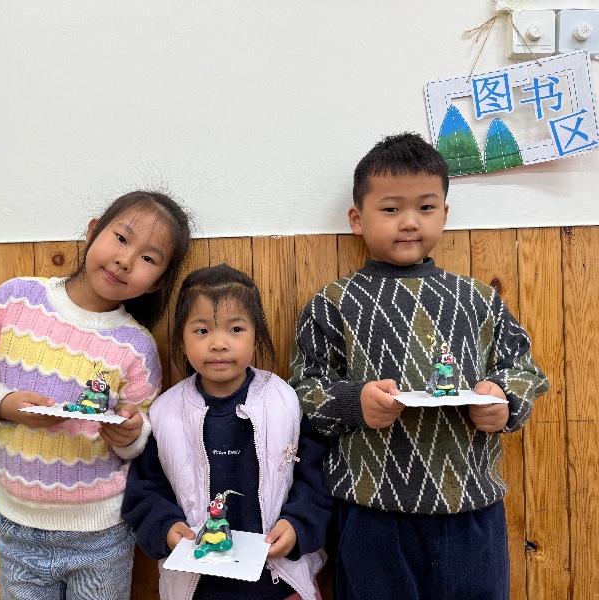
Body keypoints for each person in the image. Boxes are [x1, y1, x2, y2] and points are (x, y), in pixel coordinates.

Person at [289, 132, 549, 600]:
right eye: (390, 208)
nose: (409, 221)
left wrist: (504, 401)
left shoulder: (478, 300)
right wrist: (354, 402)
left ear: (444, 214)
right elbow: (304, 391)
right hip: (371, 513)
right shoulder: (333, 303)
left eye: (426, 207)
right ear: (357, 219)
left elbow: (524, 369)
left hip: (471, 510)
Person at [0, 190, 191, 600]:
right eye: (121, 238)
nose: (125, 259)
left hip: (104, 535)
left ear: (156, 282)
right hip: (17, 529)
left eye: (147, 258)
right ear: (92, 232)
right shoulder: (17, 300)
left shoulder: (137, 347)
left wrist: (130, 435)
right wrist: (3, 404)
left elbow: (141, 429)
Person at [123, 264, 332, 600]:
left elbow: (315, 477)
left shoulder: (285, 401)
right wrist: (165, 527)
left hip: (280, 582)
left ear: (256, 336)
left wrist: (298, 524)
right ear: (181, 340)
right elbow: (146, 489)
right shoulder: (165, 412)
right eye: (202, 330)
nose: (219, 344)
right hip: (196, 586)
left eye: (236, 329)